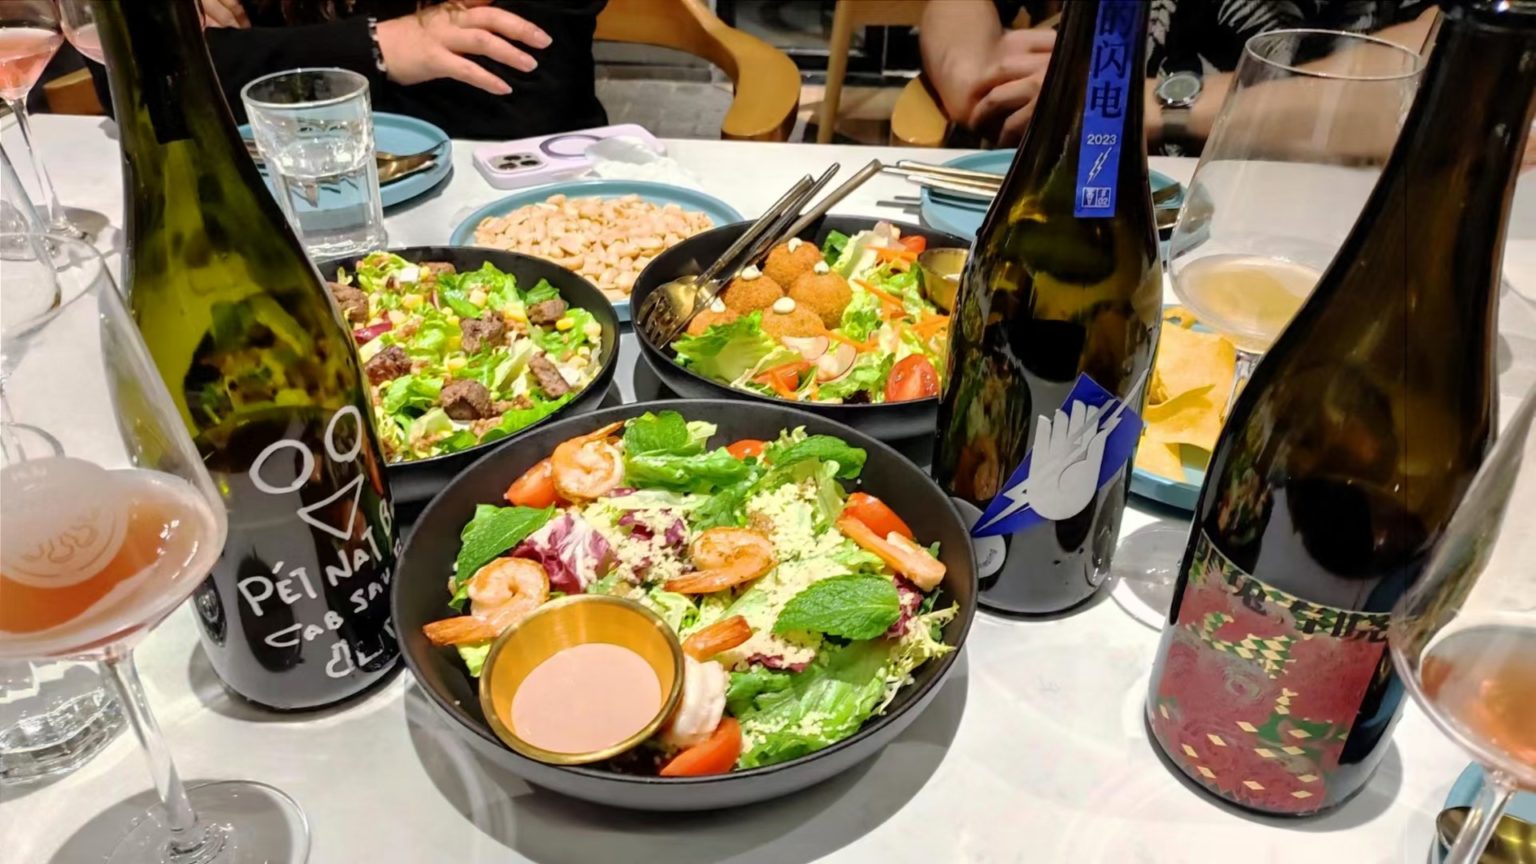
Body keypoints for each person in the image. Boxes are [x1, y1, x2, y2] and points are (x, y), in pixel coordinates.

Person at [920, 0, 1438, 152]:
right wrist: (970, 70)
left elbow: (1441, 71)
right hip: (1081, 176)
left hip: (1313, 201)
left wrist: (1145, 105)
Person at [184, 0, 607, 139]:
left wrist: (261, 54)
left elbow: (514, 104)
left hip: (524, 191)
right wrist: (380, 47)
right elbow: (173, 83)